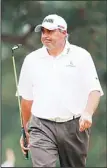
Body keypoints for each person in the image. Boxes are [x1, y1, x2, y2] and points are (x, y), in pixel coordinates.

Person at [18, 14, 104, 167]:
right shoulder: (31, 60)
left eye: (50, 31)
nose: (45, 36)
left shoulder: (81, 56)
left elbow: (94, 91)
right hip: (41, 126)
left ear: (64, 33)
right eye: (43, 32)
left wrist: (88, 113)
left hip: (74, 126)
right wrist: (25, 130)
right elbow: (27, 100)